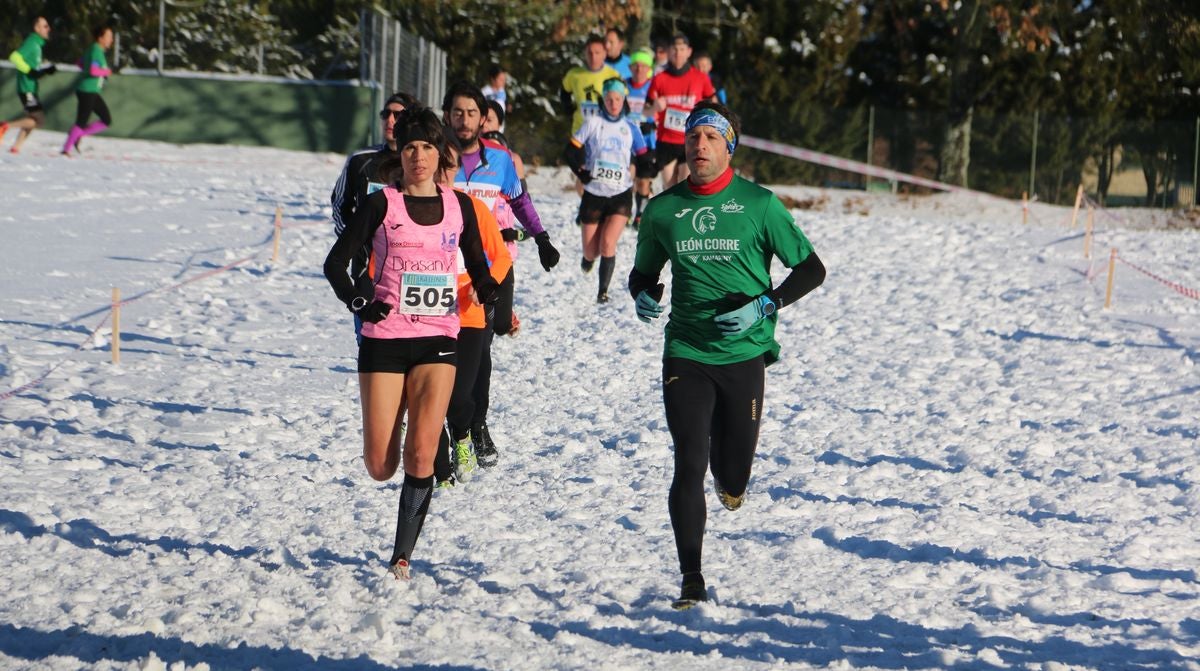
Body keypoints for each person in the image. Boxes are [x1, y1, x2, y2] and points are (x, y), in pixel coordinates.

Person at [628, 101, 827, 609]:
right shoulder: (663, 210)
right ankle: (691, 576)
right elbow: (644, 272)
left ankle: (731, 478)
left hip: (743, 354)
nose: (700, 146)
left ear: (729, 147)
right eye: (694, 137)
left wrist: (766, 304)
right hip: (687, 350)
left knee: (732, 474)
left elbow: (812, 269)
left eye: (712, 138)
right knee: (688, 459)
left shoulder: (760, 205)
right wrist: (642, 293)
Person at [323, 108, 499, 580]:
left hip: (439, 338)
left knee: (421, 455)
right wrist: (361, 300)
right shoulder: (382, 205)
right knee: (381, 465)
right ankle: (397, 417)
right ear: (398, 156)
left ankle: (402, 555)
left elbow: (477, 262)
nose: (418, 157)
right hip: (385, 341)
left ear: (440, 152)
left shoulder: (459, 206)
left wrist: (488, 289)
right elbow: (335, 265)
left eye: (426, 147)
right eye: (409, 148)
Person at [444, 81, 560, 470]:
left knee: (482, 349)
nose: (464, 120)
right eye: (457, 112)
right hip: (443, 271)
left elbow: (520, 200)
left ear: (483, 118)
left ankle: (477, 425)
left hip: (495, 266)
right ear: (447, 116)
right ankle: (451, 426)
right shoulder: (437, 160)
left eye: (471, 113)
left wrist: (541, 238)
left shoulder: (500, 160)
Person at [431, 133, 513, 487]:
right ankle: (439, 457)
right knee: (431, 393)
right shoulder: (407, 210)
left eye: (447, 168)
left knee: (460, 394)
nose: (440, 176)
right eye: (436, 167)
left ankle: (462, 437)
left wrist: (485, 286)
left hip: (468, 314)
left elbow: (503, 257)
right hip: (426, 316)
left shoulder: (472, 209)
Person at [330, 91, 422, 340]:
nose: (391, 120)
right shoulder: (361, 160)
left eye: (398, 114)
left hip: (411, 270)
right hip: (367, 269)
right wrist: (354, 241)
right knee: (370, 339)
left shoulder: (421, 164)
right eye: (386, 114)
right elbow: (340, 205)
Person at [564, 77, 651, 303]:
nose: (614, 103)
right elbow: (570, 151)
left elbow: (644, 158)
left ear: (624, 100)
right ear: (604, 100)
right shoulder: (593, 123)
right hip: (593, 194)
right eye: (610, 99)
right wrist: (581, 173)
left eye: (618, 99)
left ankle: (603, 291)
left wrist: (646, 169)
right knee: (591, 251)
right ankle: (588, 259)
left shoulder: (631, 127)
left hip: (620, 194)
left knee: (607, 244)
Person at [646, 33, 716, 189]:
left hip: (691, 140)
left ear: (689, 51)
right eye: (675, 49)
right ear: (669, 52)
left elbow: (714, 104)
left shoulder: (701, 78)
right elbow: (645, 112)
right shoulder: (659, 78)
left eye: (682, 49)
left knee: (685, 186)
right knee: (669, 189)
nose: (678, 53)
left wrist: (707, 112)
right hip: (666, 141)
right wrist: (654, 108)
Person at [1, 16, 56, 155]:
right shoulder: (32, 42)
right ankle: (5, 125)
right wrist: (29, 70)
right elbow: (15, 57)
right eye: (45, 26)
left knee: (32, 120)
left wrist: (45, 70)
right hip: (26, 89)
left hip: (31, 88)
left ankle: (16, 147)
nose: (48, 29)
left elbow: (33, 70)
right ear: (36, 28)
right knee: (38, 120)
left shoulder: (37, 44)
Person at [62, 24, 115, 156]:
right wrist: (107, 71)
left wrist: (99, 72)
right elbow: (93, 70)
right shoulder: (96, 50)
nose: (111, 40)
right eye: (109, 36)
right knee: (81, 121)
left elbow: (80, 63)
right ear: (100, 38)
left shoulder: (93, 49)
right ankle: (66, 149)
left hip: (91, 90)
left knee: (106, 119)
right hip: (87, 91)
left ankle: (77, 135)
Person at [560, 34, 620, 135]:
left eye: (597, 53)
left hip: (604, 133)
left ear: (604, 54)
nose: (593, 57)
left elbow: (623, 103)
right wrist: (568, 108)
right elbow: (564, 92)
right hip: (580, 132)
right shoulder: (574, 74)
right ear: (585, 54)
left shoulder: (612, 75)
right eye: (590, 53)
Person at [625, 48, 657, 227]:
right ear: (630, 68)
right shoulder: (623, 85)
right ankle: (625, 211)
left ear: (648, 69)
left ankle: (640, 213)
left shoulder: (653, 87)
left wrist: (652, 123)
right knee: (627, 177)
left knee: (644, 181)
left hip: (647, 141)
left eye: (643, 66)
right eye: (635, 65)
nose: (639, 69)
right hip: (626, 141)